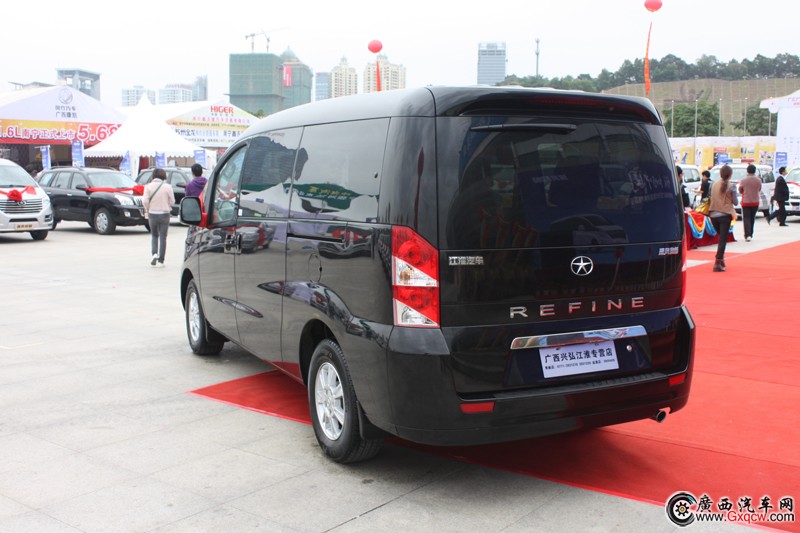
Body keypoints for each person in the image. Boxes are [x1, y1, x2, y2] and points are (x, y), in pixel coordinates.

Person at [142, 168, 175, 267]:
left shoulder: (148, 187)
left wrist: (148, 208)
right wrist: (168, 205)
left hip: (152, 213)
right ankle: (161, 261)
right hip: (165, 214)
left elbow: (144, 201)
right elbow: (172, 201)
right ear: (163, 176)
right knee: (163, 237)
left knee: (154, 235)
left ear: (153, 176)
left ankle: (154, 254)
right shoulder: (168, 187)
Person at [708, 164, 739, 272]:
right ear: (730, 175)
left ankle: (720, 259)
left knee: (721, 237)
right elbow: (735, 202)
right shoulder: (732, 186)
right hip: (725, 214)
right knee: (723, 239)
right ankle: (718, 260)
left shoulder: (713, 184)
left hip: (713, 214)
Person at [737, 164, 762, 242]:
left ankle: (747, 234)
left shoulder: (744, 180)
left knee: (746, 218)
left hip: (746, 202)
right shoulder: (758, 180)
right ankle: (751, 233)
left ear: (747, 171)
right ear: (755, 171)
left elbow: (740, 190)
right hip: (755, 201)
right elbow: (759, 189)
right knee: (752, 218)